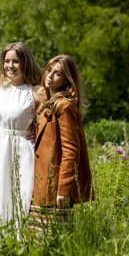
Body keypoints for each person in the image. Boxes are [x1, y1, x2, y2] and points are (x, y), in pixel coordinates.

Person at [31, 54, 93, 223]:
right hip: (39, 180)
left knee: (53, 238)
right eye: (49, 70)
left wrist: (63, 189)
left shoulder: (65, 105)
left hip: (54, 185)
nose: (50, 76)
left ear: (67, 80)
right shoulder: (46, 102)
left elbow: (71, 150)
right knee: (36, 236)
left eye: (57, 73)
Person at [0, 42, 43, 223]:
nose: (10, 66)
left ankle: (19, 243)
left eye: (15, 62)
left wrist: (37, 132)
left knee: (18, 196)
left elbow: (48, 124)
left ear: (25, 63)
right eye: (6, 61)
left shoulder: (36, 92)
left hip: (21, 149)